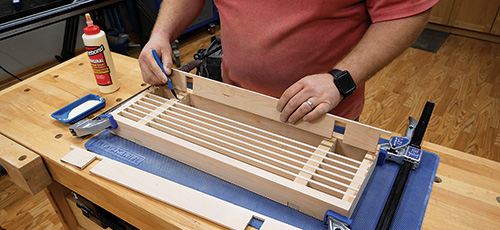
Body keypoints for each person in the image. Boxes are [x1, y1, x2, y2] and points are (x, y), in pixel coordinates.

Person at [139, 0, 438, 122]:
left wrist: (340, 79)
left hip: (316, 113)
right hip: (235, 98)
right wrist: (161, 34)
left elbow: (405, 11)